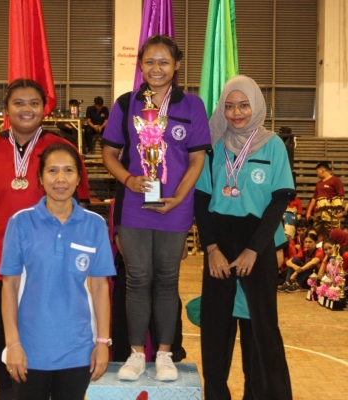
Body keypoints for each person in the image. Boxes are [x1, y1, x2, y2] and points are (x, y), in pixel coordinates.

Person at [0, 78, 90, 400]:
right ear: (6, 109)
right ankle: (7, 394)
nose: (26, 109)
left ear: (44, 109)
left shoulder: (62, 149)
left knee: (50, 331)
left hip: (52, 264)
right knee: (2, 334)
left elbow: (81, 205)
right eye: (18, 103)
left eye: (34, 103)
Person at [102, 34, 211, 381]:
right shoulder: (126, 103)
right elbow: (109, 153)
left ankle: (164, 354)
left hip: (176, 206)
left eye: (164, 61)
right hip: (134, 205)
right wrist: (128, 179)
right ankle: (136, 354)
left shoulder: (192, 106)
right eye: (149, 61)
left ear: (177, 65)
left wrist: (178, 197)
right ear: (140, 65)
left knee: (166, 280)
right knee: (137, 279)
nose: (157, 68)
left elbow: (197, 160)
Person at [194, 75, 294, 399]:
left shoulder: (273, 144)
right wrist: (211, 249)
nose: (236, 112)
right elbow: (201, 200)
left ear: (257, 105)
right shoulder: (213, 146)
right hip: (220, 245)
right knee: (216, 329)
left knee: (261, 329)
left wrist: (255, 249)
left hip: (258, 242)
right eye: (229, 106)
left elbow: (280, 199)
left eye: (243, 105)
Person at [0, 143, 114, 400]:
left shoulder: (95, 225)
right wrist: (13, 343)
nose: (60, 179)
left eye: (68, 170)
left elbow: (100, 287)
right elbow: (10, 286)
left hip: (78, 351)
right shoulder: (20, 222)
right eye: (52, 170)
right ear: (40, 178)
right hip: (29, 350)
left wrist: (102, 343)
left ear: (79, 178)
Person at [305, 162, 344, 239]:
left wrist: (339, 211)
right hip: (319, 212)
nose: (317, 174)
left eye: (317, 171)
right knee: (316, 231)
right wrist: (309, 211)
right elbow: (314, 198)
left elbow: (341, 196)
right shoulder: (319, 184)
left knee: (332, 232)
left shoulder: (335, 180)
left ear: (322, 170)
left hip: (331, 211)